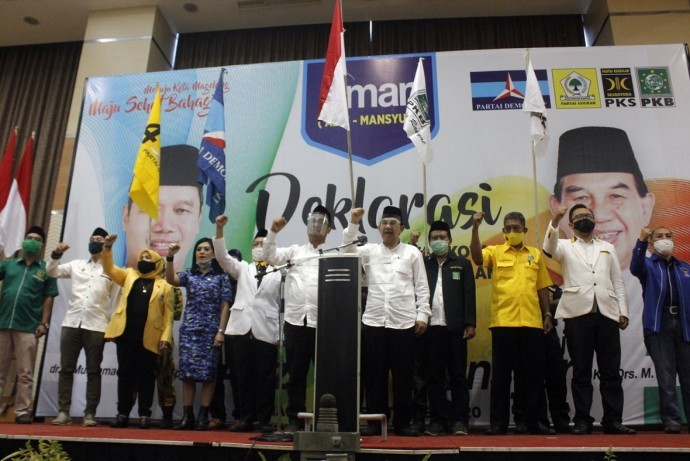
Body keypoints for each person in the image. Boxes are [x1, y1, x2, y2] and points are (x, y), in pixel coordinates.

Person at [122, 144, 201, 427]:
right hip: (130, 337)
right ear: (125, 217)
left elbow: (174, 314)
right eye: (150, 209)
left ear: (198, 220)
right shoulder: (121, 279)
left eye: (181, 210)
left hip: (162, 339)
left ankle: (165, 413)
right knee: (128, 373)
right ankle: (125, 412)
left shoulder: (183, 283)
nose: (163, 225)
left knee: (162, 373)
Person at [543, 204, 635, 435]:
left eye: (588, 215)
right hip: (577, 315)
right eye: (579, 216)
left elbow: (617, 281)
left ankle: (613, 420)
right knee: (581, 372)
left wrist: (623, 310)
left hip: (607, 314)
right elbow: (548, 247)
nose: (585, 218)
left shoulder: (607, 247)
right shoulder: (564, 246)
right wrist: (555, 221)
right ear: (571, 224)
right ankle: (582, 420)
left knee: (611, 372)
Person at [343, 206, 431, 437]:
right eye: (384, 223)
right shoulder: (369, 251)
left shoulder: (412, 253)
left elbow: (422, 287)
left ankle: (402, 423)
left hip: (404, 322)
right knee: (375, 376)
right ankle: (375, 423)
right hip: (374, 323)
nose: (388, 227)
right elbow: (347, 250)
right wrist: (353, 223)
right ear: (379, 228)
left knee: (403, 377)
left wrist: (423, 315)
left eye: (393, 223)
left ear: (401, 228)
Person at [470, 211, 553, 435]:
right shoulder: (495, 252)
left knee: (532, 376)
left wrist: (547, 314)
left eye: (517, 228)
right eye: (508, 228)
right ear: (503, 231)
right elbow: (477, 258)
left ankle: (533, 422)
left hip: (532, 322)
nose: (512, 231)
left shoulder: (535, 254)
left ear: (524, 230)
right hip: (503, 322)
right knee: (501, 377)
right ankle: (499, 423)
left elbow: (542, 286)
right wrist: (475, 228)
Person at [262, 204, 332, 433]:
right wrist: (273, 232)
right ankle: (295, 419)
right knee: (296, 373)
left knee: (326, 375)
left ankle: (326, 420)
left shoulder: (335, 254)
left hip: (324, 324)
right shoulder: (294, 252)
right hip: (295, 322)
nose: (315, 225)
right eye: (313, 221)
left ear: (329, 229)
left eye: (321, 222)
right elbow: (269, 257)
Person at [213, 215, 282, 433]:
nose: (259, 247)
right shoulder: (243, 268)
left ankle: (264, 420)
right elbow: (222, 257)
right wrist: (220, 229)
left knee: (266, 377)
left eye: (263, 244)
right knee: (242, 376)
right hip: (240, 328)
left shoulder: (280, 271)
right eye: (255, 244)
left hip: (266, 329)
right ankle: (245, 418)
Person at [47, 227, 117, 427]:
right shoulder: (76, 265)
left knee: (93, 371)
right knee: (66, 369)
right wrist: (56, 253)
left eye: (99, 239)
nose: (94, 242)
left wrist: (111, 327)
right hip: (72, 322)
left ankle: (90, 414)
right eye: (92, 239)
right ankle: (63, 412)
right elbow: (52, 271)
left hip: (97, 325)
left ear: (106, 244)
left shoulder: (112, 270)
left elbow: (115, 301)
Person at [102, 234, 174, 429]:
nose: (143, 261)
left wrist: (165, 337)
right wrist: (107, 248)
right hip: (126, 335)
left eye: (148, 258)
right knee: (125, 374)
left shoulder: (165, 286)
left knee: (146, 376)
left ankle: (144, 414)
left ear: (157, 263)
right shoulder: (129, 275)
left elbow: (168, 316)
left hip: (150, 338)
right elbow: (109, 269)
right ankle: (122, 413)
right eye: (141, 258)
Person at [165, 238, 232, 431]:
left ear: (214, 254)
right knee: (188, 375)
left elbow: (225, 305)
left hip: (211, 332)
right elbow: (171, 280)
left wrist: (221, 331)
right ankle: (187, 417)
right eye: (199, 249)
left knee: (209, 376)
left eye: (206, 249)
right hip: (189, 332)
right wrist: (170, 257)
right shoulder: (190, 275)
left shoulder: (221, 277)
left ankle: (203, 416)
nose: (202, 252)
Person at [631, 226, 690, 434]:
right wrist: (641, 241)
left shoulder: (684, 267)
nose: (665, 239)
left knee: (688, 375)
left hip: (684, 324)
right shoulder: (647, 265)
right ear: (652, 242)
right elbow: (635, 267)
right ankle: (672, 420)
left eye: (668, 236)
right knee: (666, 376)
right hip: (659, 324)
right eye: (659, 236)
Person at [420, 220, 476, 436]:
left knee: (458, 375)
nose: (438, 241)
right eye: (434, 238)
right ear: (429, 241)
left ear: (450, 240)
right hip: (431, 328)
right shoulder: (424, 264)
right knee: (434, 376)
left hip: (455, 328)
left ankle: (460, 421)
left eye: (442, 237)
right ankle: (437, 421)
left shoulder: (462, 264)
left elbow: (469, 295)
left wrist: (470, 322)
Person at [0, 226, 58, 424]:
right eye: (29, 238)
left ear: (42, 245)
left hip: (28, 326)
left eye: (36, 239)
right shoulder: (9, 265)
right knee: (0, 371)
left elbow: (49, 297)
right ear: (24, 241)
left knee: (25, 372)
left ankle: (22, 411)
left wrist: (44, 323)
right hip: (4, 322)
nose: (32, 241)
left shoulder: (46, 270)